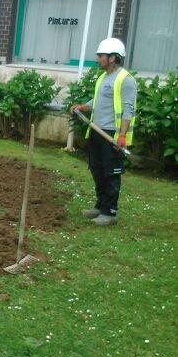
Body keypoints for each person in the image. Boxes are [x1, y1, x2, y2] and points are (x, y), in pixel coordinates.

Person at [70, 37, 137, 226]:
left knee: (111, 174)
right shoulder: (103, 77)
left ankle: (110, 212)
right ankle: (100, 206)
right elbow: (97, 101)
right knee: (97, 170)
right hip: (97, 131)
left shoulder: (126, 80)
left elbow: (128, 109)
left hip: (112, 135)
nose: (98, 59)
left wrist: (122, 135)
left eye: (101, 56)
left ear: (113, 58)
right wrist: (84, 107)